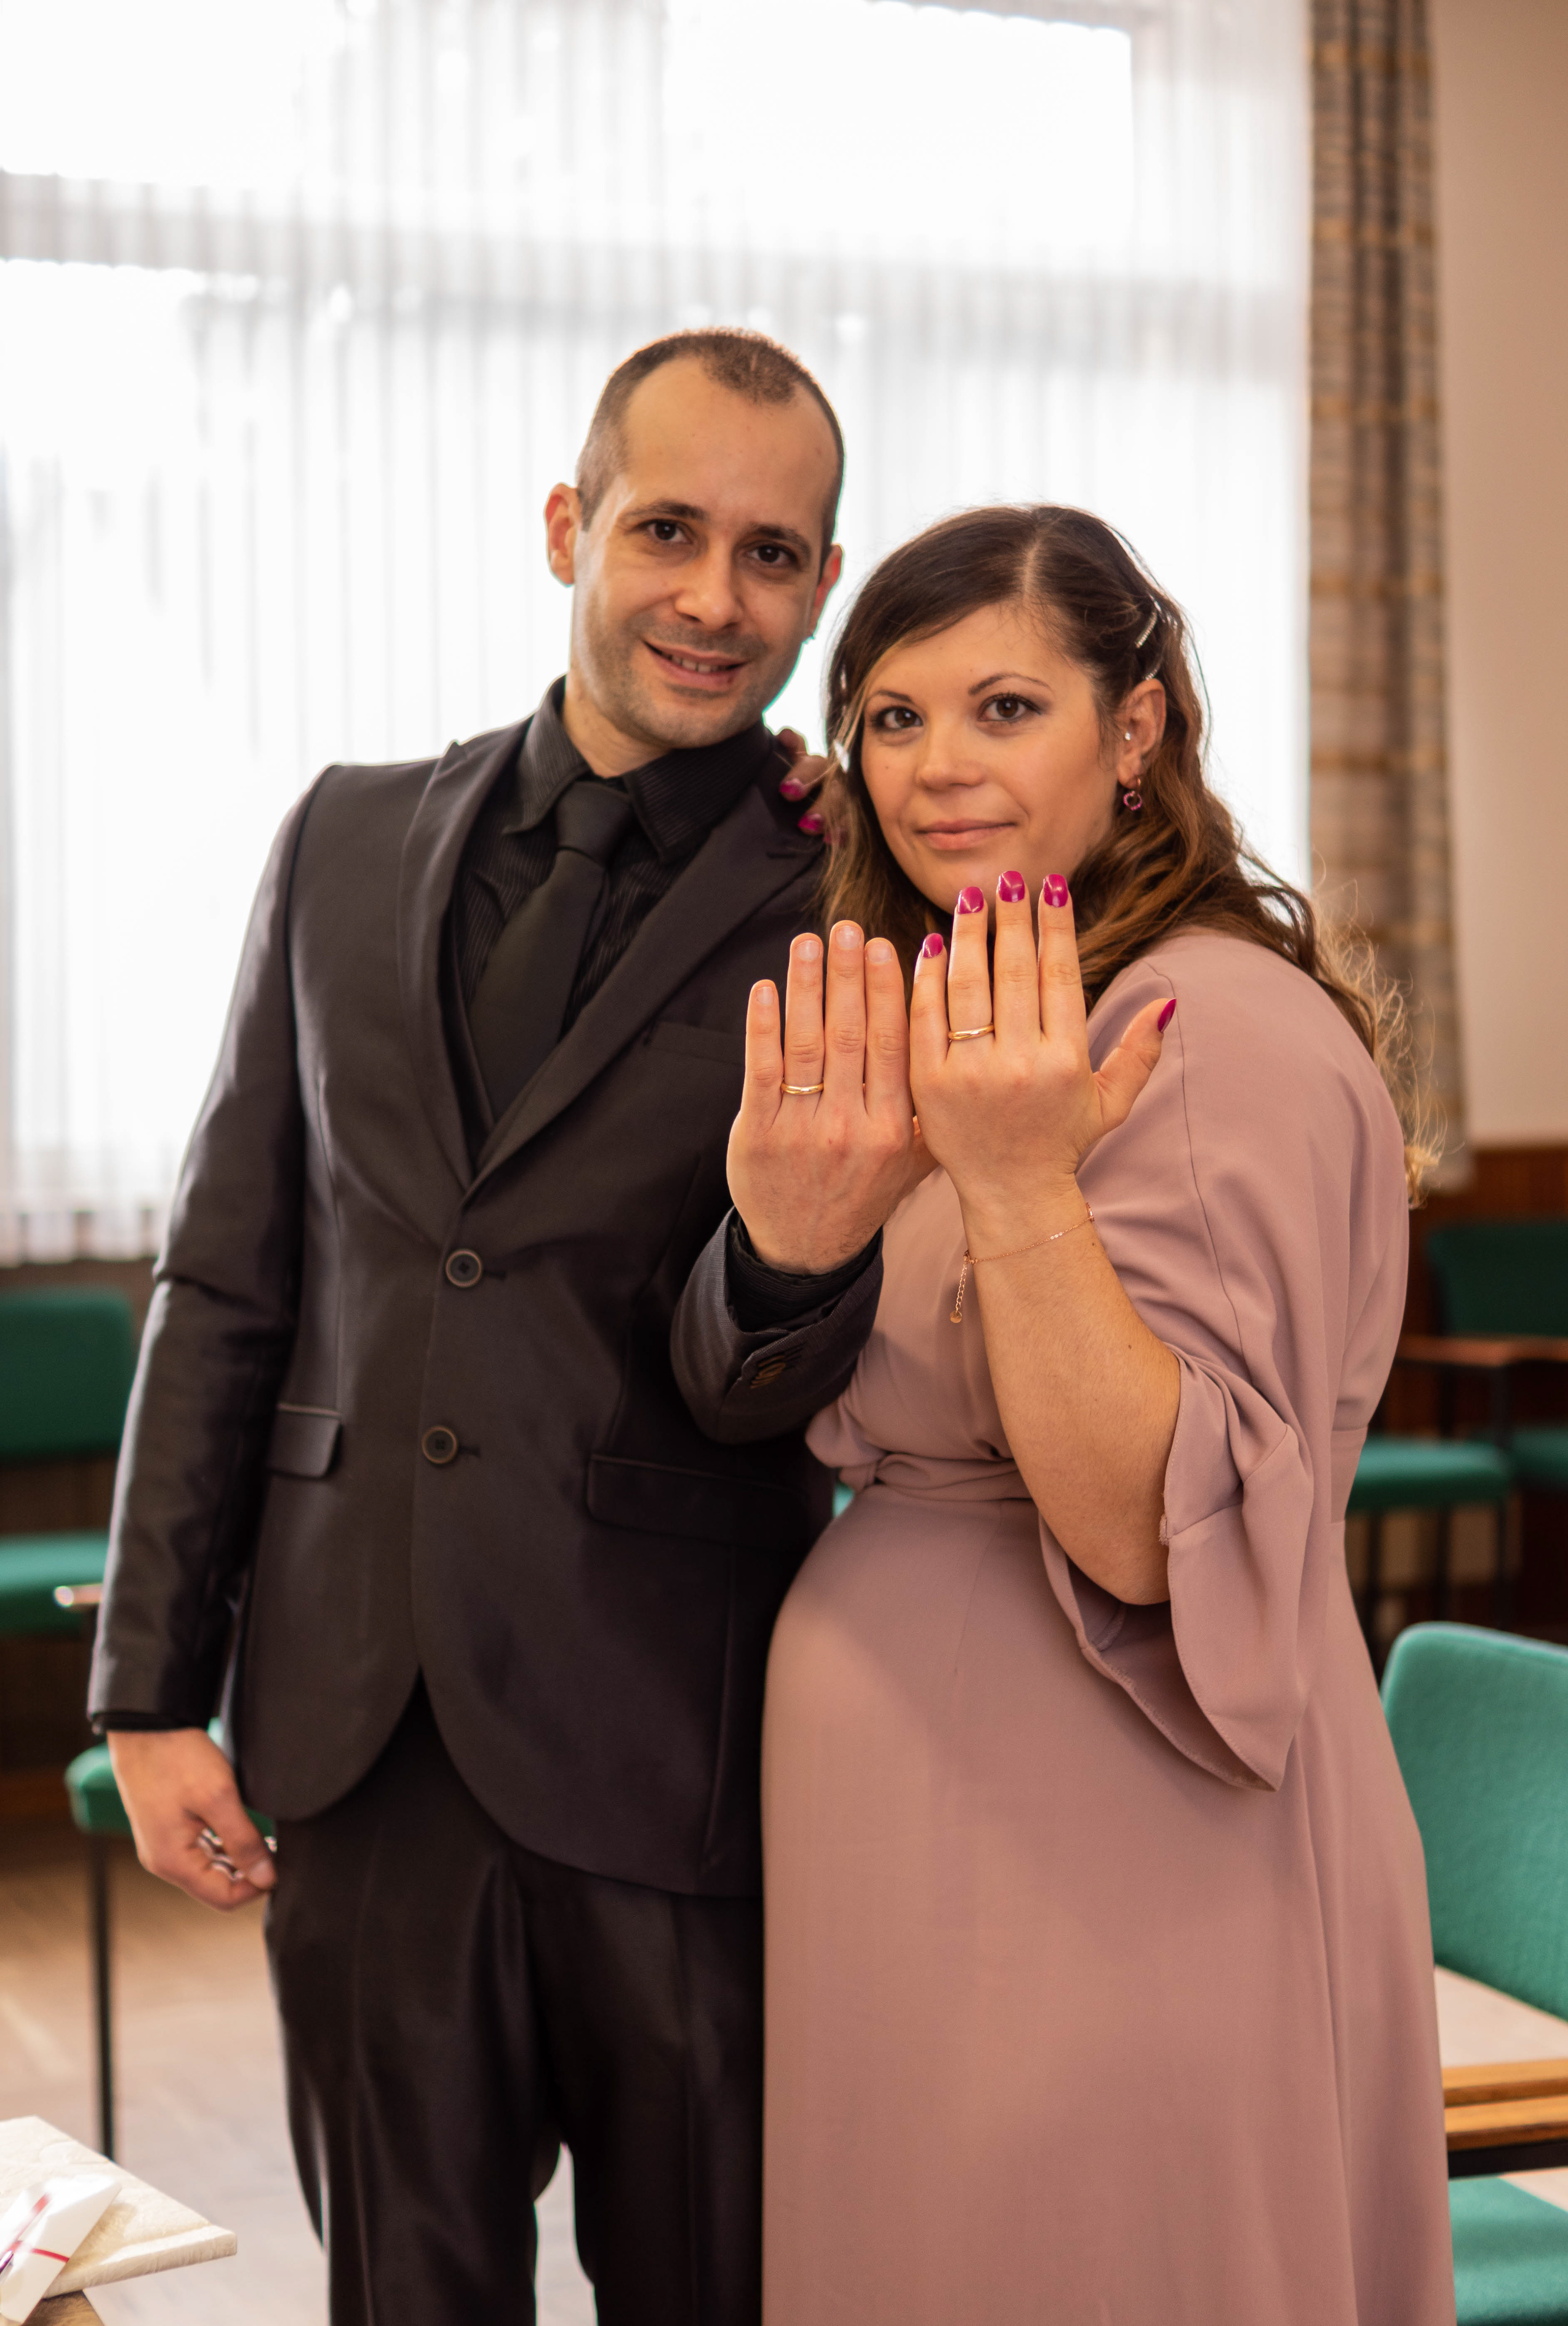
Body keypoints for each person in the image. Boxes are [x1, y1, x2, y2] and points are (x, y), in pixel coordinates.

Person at [88, 327, 876, 2326]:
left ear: (822, 586)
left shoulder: (861, 889)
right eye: (671, 529)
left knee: (715, 2282)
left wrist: (786, 1260)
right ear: (569, 527)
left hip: (681, 1732)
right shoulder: (341, 840)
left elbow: (809, 1343)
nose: (716, 597)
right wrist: (152, 1684)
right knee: (406, 2293)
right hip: (357, 1725)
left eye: (775, 555)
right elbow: (231, 1271)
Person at [673, 505, 1457, 2323]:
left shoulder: (1206, 1031)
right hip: (922, 1831)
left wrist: (1022, 1192)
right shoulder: (980, 998)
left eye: (1006, 708)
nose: (938, 768)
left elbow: (1145, 1533)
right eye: (891, 717)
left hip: (1106, 1840)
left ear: (1139, 726)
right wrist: (790, 1243)